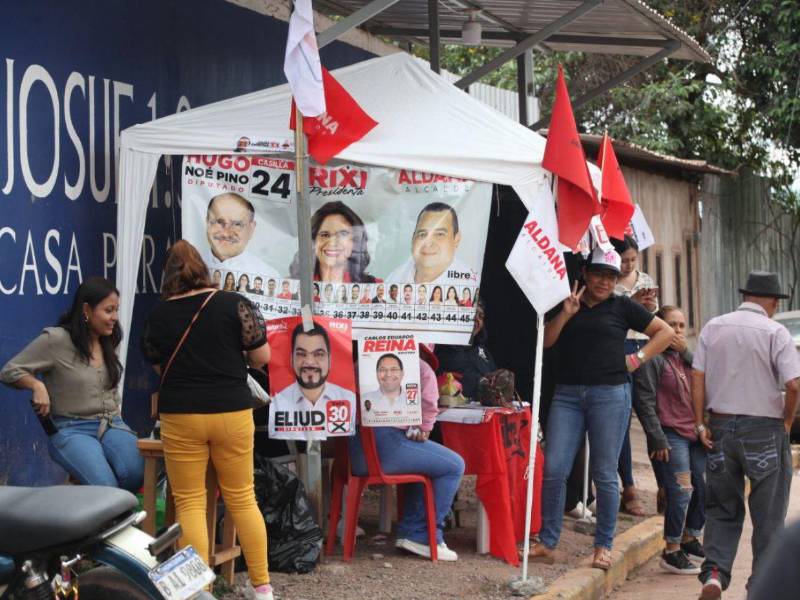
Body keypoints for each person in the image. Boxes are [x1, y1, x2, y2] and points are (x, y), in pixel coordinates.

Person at [141, 240, 274, 600]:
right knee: (242, 498)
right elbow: (261, 355)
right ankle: (262, 588)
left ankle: (201, 592)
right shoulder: (233, 304)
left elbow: (157, 364)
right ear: (203, 269)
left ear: (167, 276)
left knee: (189, 502)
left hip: (181, 414)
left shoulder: (159, 315)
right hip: (230, 411)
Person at [531, 247, 673, 570]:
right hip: (567, 395)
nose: (604, 282)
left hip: (610, 394)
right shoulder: (569, 303)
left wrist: (637, 358)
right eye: (598, 274)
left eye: (611, 276)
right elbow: (547, 342)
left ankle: (603, 545)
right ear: (585, 273)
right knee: (554, 468)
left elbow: (664, 333)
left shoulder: (622, 306)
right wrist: (566, 313)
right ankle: (548, 540)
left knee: (605, 474)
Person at [691, 271, 800, 599]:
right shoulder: (774, 331)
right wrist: (786, 421)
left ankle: (713, 574)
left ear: (745, 296)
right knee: (768, 515)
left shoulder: (713, 327)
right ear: (771, 301)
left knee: (722, 507)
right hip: (765, 429)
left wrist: (700, 423)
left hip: (721, 427)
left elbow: (698, 376)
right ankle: (760, 585)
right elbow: (794, 384)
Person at [1, 277, 144, 492]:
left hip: (112, 424)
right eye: (108, 311)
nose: (115, 317)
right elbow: (10, 371)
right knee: (105, 488)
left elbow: (110, 388)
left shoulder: (109, 338)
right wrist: (37, 386)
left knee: (135, 474)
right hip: (72, 428)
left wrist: (118, 418)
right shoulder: (56, 339)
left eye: (116, 310)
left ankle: (107, 517)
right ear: (87, 310)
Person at [349, 355, 464, 561]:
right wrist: (425, 428)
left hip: (355, 451)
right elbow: (429, 406)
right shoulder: (420, 367)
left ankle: (412, 533)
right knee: (454, 465)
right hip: (386, 449)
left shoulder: (361, 363)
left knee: (428, 463)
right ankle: (424, 536)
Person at [633, 305, 705, 575]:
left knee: (704, 486)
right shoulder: (652, 359)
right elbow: (644, 402)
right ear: (657, 328)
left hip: (695, 433)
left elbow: (704, 376)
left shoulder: (687, 358)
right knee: (682, 490)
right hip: (670, 434)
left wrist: (685, 351)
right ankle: (671, 550)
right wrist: (656, 437)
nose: (676, 331)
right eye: (671, 325)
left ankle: (689, 538)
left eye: (681, 326)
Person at [612, 235, 658, 517]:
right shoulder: (608, 283)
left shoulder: (645, 279)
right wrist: (631, 302)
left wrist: (648, 306)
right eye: (623, 260)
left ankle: (667, 484)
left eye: (632, 259)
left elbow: (655, 316)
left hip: (647, 346)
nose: (628, 265)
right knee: (622, 419)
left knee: (655, 415)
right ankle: (628, 486)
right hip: (620, 348)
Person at [270, 322, 356, 441]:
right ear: (291, 359)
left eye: (319, 354)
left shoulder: (348, 398)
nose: (310, 362)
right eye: (301, 354)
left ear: (329, 360)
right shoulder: (277, 402)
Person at [387, 202, 477, 285]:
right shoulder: (395, 277)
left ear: (456, 239)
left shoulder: (472, 285)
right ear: (413, 238)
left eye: (440, 234)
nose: (428, 243)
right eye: (422, 234)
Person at [290, 201, 379, 283]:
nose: (332, 242)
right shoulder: (291, 285)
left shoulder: (376, 286)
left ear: (356, 242)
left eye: (343, 234)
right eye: (325, 235)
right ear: (312, 242)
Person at [204, 192, 279, 277]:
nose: (225, 233)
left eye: (237, 224)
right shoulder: (187, 266)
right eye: (219, 222)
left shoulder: (268, 275)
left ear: (251, 229)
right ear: (207, 222)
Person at [435, 300, 496, 399]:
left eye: (481, 316)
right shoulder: (441, 348)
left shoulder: (482, 350)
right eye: (472, 314)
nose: (477, 319)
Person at [361, 354, 407, 420]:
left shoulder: (417, 401)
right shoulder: (363, 399)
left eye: (394, 369)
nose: (388, 374)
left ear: (402, 373)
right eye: (382, 370)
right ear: (376, 374)